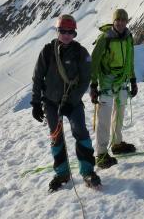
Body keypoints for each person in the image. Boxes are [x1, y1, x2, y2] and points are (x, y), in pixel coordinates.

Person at [31, 14, 101, 192]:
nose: (67, 35)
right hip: (51, 103)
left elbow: (85, 79)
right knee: (56, 137)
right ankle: (62, 173)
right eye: (63, 31)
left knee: (81, 132)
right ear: (57, 31)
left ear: (75, 33)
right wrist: (36, 103)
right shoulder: (47, 52)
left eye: (70, 32)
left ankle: (87, 171)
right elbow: (38, 78)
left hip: (73, 102)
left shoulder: (80, 52)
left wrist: (72, 100)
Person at [90, 9, 138, 169]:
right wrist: (93, 85)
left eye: (124, 20)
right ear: (114, 21)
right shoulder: (105, 39)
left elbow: (130, 59)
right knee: (104, 116)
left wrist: (133, 79)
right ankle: (101, 152)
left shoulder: (128, 37)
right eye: (118, 20)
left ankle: (117, 143)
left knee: (120, 112)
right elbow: (94, 62)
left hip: (122, 80)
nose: (121, 23)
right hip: (107, 82)